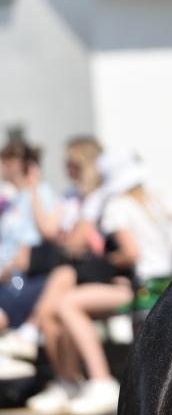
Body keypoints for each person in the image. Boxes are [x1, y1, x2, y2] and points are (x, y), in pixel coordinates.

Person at [25, 150, 172, 415]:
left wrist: (107, 259)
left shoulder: (117, 206)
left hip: (142, 289)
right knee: (68, 303)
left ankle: (99, 381)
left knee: (67, 304)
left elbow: (130, 254)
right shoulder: (157, 198)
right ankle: (72, 382)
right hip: (168, 286)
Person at [0, 135, 110, 365]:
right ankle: (64, 377)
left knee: (59, 297)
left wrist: (34, 190)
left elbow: (66, 239)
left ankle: (29, 334)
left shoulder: (96, 197)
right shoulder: (69, 195)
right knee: (54, 307)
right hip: (59, 269)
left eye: (69, 161)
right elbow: (52, 231)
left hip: (67, 271)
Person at [0, 138, 59, 378]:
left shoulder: (40, 194)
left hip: (22, 278)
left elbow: (35, 240)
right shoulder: (13, 199)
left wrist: (33, 187)